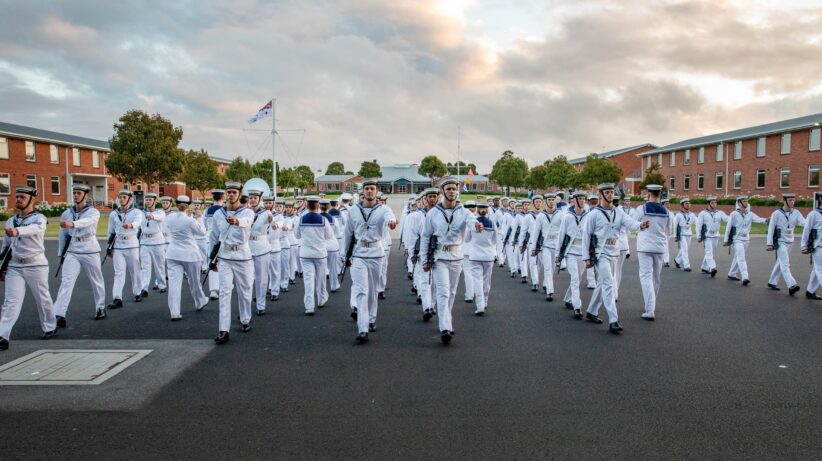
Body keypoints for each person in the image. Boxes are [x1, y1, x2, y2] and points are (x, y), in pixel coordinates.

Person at [420, 178, 481, 344]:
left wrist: (476, 225)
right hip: (440, 257)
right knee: (443, 292)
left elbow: (471, 221)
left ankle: (446, 319)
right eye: (448, 189)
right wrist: (424, 259)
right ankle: (445, 327)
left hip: (457, 257)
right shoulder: (433, 213)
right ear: (442, 191)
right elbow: (425, 237)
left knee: (452, 292)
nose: (452, 191)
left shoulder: (463, 212)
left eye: (454, 189)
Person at [583, 183, 647, 333]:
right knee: (609, 284)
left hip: (614, 253)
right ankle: (613, 320)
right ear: (601, 194)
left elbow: (630, 223)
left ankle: (592, 311)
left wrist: (640, 226)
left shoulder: (618, 212)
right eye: (608, 192)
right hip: (600, 254)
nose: (611, 194)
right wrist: (586, 257)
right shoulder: (594, 214)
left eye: (612, 192)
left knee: (602, 283)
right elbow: (586, 235)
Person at [0, 186, 57, 350]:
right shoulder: (11, 220)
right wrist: (2, 268)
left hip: (36, 265)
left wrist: (17, 231)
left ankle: (49, 326)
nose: (18, 199)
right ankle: (3, 335)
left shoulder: (39, 218)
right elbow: (6, 246)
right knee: (10, 301)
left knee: (42, 298)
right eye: (17, 197)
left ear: (32, 199)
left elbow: (35, 229)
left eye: (22, 197)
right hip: (15, 265)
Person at [341, 179, 397, 343]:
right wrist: (345, 255)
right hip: (359, 254)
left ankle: (371, 318)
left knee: (372, 291)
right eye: (367, 189)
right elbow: (347, 233)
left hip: (376, 253)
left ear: (376, 191)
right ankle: (362, 328)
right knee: (361, 290)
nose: (369, 191)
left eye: (372, 189)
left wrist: (392, 223)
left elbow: (390, 218)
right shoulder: (353, 211)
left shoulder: (384, 209)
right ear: (362, 192)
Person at [53, 184, 106, 325]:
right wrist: (61, 253)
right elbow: (63, 235)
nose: (76, 195)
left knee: (96, 280)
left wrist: (72, 224)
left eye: (79, 193)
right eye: (74, 192)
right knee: (66, 281)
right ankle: (59, 313)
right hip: (72, 250)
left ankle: (100, 307)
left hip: (90, 249)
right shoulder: (67, 213)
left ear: (86, 195)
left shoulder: (93, 212)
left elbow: (86, 222)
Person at [209, 182, 255, 344]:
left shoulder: (247, 212)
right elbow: (213, 237)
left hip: (243, 256)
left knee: (245, 290)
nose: (231, 195)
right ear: (225, 194)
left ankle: (245, 319)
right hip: (225, 256)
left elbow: (248, 221)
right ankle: (223, 329)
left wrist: (237, 221)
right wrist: (211, 258)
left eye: (234, 192)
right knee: (224, 292)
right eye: (229, 192)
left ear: (240, 194)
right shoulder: (218, 214)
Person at [165, 195, 209, 320]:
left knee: (174, 284)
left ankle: (174, 312)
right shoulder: (190, 220)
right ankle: (200, 301)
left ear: (177, 204)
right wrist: (199, 218)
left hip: (173, 253)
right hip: (190, 254)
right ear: (188, 205)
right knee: (194, 282)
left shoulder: (170, 217)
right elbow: (202, 232)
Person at [631, 185, 670, 321]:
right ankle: (651, 303)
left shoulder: (641, 209)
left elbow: (634, 225)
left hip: (644, 246)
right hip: (659, 247)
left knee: (646, 276)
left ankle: (650, 308)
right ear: (659, 194)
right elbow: (668, 231)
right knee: (656, 277)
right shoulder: (666, 211)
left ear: (648, 193)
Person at [297, 196, 335, 315]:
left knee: (308, 280)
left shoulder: (301, 219)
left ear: (307, 205)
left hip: (305, 254)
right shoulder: (324, 220)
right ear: (318, 205)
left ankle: (309, 306)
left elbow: (297, 235)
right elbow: (329, 236)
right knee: (321, 279)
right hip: (320, 254)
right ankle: (321, 299)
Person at [107, 189, 144, 308]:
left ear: (130, 199)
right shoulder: (113, 214)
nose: (122, 199)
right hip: (118, 245)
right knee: (118, 272)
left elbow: (138, 222)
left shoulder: (137, 212)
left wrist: (131, 225)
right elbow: (111, 231)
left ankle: (137, 292)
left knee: (135, 270)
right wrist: (109, 246)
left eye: (124, 197)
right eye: (120, 197)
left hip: (132, 244)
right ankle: (117, 298)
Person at [724, 196, 768, 286]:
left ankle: (731, 273)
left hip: (746, 239)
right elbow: (728, 227)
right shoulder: (734, 214)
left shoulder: (750, 214)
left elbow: (759, 219)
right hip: (737, 239)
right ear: (739, 203)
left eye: (746, 201)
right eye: (744, 201)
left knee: (738, 257)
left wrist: (767, 220)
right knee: (741, 257)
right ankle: (745, 277)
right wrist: (726, 240)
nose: (746, 203)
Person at [556, 191, 589, 313]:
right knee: (575, 278)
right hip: (570, 252)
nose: (582, 201)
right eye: (579, 199)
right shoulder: (567, 217)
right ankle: (577, 306)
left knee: (578, 279)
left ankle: (568, 298)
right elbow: (561, 236)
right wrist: (558, 255)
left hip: (583, 253)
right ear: (574, 200)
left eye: (583, 199)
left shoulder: (588, 216)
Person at [409, 188, 439, 319]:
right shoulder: (416, 216)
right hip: (423, 251)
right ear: (425, 200)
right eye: (430, 197)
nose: (432, 199)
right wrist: (412, 253)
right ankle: (426, 307)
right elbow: (412, 237)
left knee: (436, 282)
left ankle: (432, 305)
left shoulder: (442, 214)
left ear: (438, 199)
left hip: (438, 252)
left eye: (434, 196)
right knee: (425, 280)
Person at [767, 193, 805, 295]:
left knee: (780, 262)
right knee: (785, 263)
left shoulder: (796, 212)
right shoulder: (776, 214)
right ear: (784, 201)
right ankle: (791, 285)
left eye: (793, 200)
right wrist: (769, 243)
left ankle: (772, 281)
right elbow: (771, 229)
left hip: (790, 241)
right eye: (790, 200)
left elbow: (804, 223)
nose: (792, 202)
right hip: (780, 242)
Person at [529, 192, 562, 301]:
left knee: (552, 268)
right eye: (549, 200)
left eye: (553, 200)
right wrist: (534, 248)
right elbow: (535, 233)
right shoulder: (541, 216)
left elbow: (564, 231)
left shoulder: (561, 215)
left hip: (556, 245)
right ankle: (550, 291)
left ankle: (546, 283)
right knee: (547, 267)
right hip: (545, 246)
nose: (551, 202)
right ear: (546, 202)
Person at [466, 203, 497, 315]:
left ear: (477, 211)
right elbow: (495, 240)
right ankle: (485, 301)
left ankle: (480, 306)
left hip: (475, 255)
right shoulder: (492, 223)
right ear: (487, 211)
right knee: (486, 281)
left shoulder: (473, 223)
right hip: (488, 255)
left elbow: (467, 239)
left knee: (477, 281)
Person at [247, 188, 273, 315]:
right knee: (246, 279)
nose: (252, 200)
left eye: (255, 198)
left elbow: (271, 221)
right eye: (250, 198)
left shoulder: (265, 213)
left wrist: (271, 220)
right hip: (247, 247)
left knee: (262, 278)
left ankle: (261, 304)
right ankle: (245, 307)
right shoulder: (244, 212)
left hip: (262, 247)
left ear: (259, 199)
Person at [139, 193, 167, 298]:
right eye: (147, 199)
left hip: (157, 241)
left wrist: (152, 216)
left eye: (150, 200)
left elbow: (160, 218)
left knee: (159, 265)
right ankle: (144, 288)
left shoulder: (160, 212)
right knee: (145, 266)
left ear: (155, 201)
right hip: (145, 241)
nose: (148, 201)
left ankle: (162, 285)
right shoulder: (141, 212)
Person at [695, 196, 728, 277]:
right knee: (709, 252)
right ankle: (712, 268)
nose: (714, 204)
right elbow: (698, 225)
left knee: (709, 252)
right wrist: (699, 236)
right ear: (708, 203)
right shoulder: (703, 213)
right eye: (712, 203)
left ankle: (704, 267)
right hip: (707, 236)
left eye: (715, 202)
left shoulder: (719, 213)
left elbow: (727, 219)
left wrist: (734, 218)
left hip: (716, 235)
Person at [204, 189, 225, 300]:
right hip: (222, 239)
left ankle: (213, 290)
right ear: (223, 197)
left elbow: (204, 225)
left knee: (212, 263)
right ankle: (223, 286)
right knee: (224, 264)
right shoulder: (224, 210)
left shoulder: (207, 211)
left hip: (210, 239)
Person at [801, 192, 822, 300]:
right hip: (818, 247)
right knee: (820, 269)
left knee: (817, 269)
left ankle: (810, 291)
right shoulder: (814, 214)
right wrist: (804, 246)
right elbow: (806, 230)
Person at [320, 199, 342, 293]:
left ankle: (322, 288)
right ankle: (334, 285)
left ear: (319, 206)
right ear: (328, 207)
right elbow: (337, 232)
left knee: (321, 269)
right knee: (333, 268)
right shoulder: (334, 219)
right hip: (332, 245)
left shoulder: (318, 218)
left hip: (320, 245)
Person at [673, 198, 696, 272]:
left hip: (689, 234)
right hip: (682, 234)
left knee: (684, 249)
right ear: (682, 205)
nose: (688, 205)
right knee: (685, 249)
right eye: (686, 204)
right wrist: (675, 236)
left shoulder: (692, 215)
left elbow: (697, 223)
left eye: (689, 204)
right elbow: (675, 226)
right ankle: (687, 266)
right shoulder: (678, 215)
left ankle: (677, 260)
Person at [462, 200, 477, 302]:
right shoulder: (480, 219)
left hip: (466, 249)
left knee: (467, 272)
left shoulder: (463, 218)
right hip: (477, 250)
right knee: (477, 274)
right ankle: (477, 294)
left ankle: (469, 294)